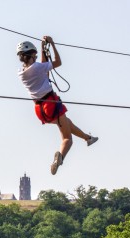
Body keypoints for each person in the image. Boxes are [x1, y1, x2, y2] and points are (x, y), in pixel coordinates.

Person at [17, 36, 98, 175]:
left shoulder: (21, 73)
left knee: (66, 122)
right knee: (67, 138)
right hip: (51, 103)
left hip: (39, 109)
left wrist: (42, 49)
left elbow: (43, 68)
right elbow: (58, 62)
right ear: (30, 55)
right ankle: (60, 158)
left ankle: (88, 138)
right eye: (35, 54)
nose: (36, 57)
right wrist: (53, 45)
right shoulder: (37, 67)